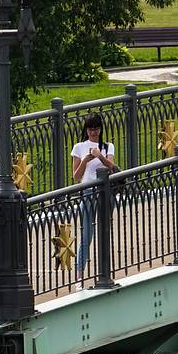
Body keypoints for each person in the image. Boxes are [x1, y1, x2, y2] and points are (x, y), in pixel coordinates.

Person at [70, 113, 118, 288]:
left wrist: (100, 156)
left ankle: (105, 273)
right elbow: (76, 177)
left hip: (105, 193)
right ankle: (79, 276)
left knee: (104, 231)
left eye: (96, 129)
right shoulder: (79, 147)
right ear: (86, 130)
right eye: (90, 129)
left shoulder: (107, 146)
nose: (93, 133)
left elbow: (112, 167)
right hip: (88, 192)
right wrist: (85, 160)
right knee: (87, 235)